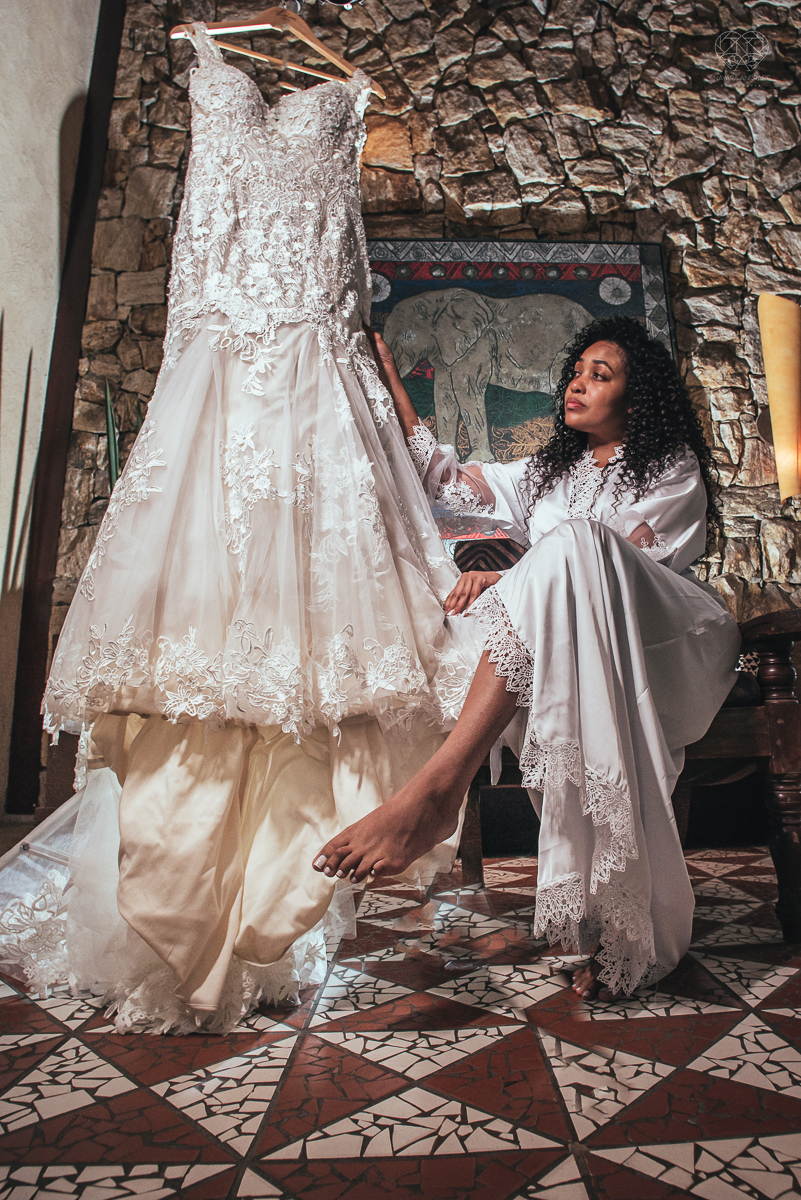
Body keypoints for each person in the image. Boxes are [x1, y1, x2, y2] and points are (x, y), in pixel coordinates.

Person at [0, 24, 478, 1033]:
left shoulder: (344, 93)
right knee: (200, 666)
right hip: (220, 376)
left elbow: (345, 281)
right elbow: (193, 263)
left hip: (317, 393)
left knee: (310, 672)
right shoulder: (207, 64)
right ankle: (180, 925)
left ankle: (267, 910)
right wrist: (194, 366)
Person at [313, 316, 741, 1000]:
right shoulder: (546, 474)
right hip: (573, 648)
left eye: (600, 376)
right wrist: (388, 380)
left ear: (636, 400)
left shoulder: (670, 468)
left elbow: (619, 563)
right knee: (493, 607)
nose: (578, 383)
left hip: (663, 640)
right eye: (575, 371)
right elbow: (444, 481)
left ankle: (440, 786)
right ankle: (597, 911)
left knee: (571, 546)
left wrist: (508, 575)